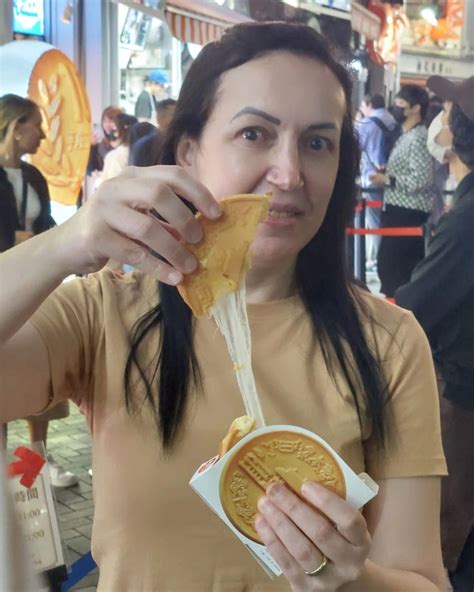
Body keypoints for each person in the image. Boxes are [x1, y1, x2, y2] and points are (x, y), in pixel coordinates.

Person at [0, 23, 447, 591]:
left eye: (317, 142)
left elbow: (424, 580)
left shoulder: (388, 340)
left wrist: (348, 579)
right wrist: (66, 244)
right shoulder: (108, 312)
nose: (288, 175)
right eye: (254, 134)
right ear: (189, 151)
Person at [396, 75, 474, 592]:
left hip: (463, 393)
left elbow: (419, 306)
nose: (438, 120)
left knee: (450, 532)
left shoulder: (466, 219)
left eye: (448, 111)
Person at [0, 94, 78, 488]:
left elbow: (47, 224)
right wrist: (16, 239)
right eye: (36, 124)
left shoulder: (34, 177)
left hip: (36, 288)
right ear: (15, 128)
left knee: (43, 376)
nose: (43, 135)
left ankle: (39, 460)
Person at [371, 84, 437, 297]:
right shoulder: (406, 135)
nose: (395, 108)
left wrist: (387, 180)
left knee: (396, 268)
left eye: (400, 104)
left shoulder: (418, 137)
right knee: (390, 266)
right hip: (398, 208)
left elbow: (421, 179)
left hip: (408, 212)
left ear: (415, 108)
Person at [356, 94, 398, 269]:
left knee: (373, 221)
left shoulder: (367, 124)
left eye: (363, 106)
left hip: (373, 178)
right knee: (387, 219)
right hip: (393, 177)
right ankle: (383, 257)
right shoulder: (394, 120)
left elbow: (356, 146)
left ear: (369, 104)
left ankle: (377, 260)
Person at [129, 99, 177, 167]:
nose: (173, 119)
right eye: (171, 114)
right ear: (158, 117)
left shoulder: (180, 143)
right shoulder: (145, 145)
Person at [97, 112, 138, 185]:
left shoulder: (115, 156)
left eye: (114, 130)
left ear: (118, 132)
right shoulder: (141, 151)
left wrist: (98, 181)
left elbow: (112, 185)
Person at [87, 106, 122, 176]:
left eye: (111, 121)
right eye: (105, 121)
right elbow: (90, 171)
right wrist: (92, 146)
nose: (107, 125)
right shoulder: (101, 145)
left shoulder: (125, 144)